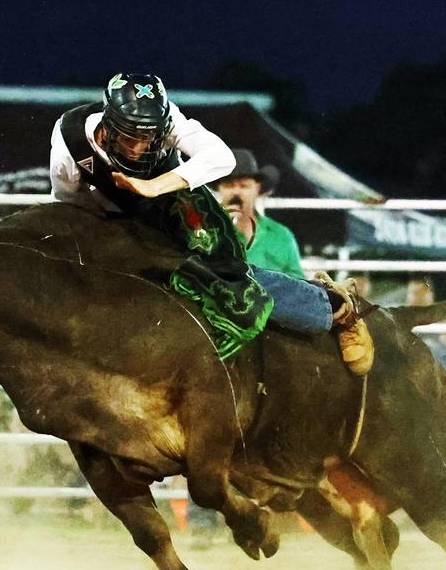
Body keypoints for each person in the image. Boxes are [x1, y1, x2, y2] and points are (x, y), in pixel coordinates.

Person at [49, 72, 373, 374]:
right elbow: (67, 200)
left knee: (225, 278)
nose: (138, 148)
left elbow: (221, 156)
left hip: (174, 200)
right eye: (129, 137)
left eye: (149, 137)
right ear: (109, 125)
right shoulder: (71, 141)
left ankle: (336, 308)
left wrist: (155, 186)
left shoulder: (171, 119)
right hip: (113, 216)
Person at [210, 149, 304, 278]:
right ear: (219, 189)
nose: (236, 192)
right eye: (229, 185)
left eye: (244, 186)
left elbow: (299, 284)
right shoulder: (203, 230)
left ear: (258, 189)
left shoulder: (280, 235)